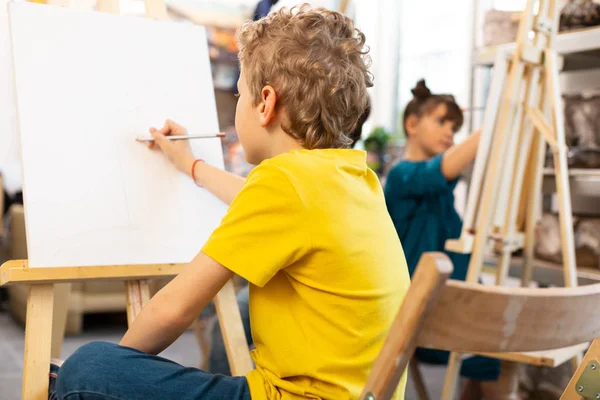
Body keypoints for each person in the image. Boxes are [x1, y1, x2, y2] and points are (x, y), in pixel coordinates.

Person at [52, 6, 411, 400]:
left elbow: (173, 310)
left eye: (240, 92)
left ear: (265, 103)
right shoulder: (353, 180)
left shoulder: (283, 184)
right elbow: (247, 197)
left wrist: (115, 372)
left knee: (87, 368)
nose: (238, 101)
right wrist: (190, 163)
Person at [384, 79, 518, 400]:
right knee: (499, 346)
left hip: (452, 306)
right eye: (441, 121)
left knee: (511, 345)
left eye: (455, 127)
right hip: (420, 315)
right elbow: (443, 168)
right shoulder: (401, 176)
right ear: (411, 124)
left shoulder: (440, 192)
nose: (449, 133)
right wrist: (497, 121)